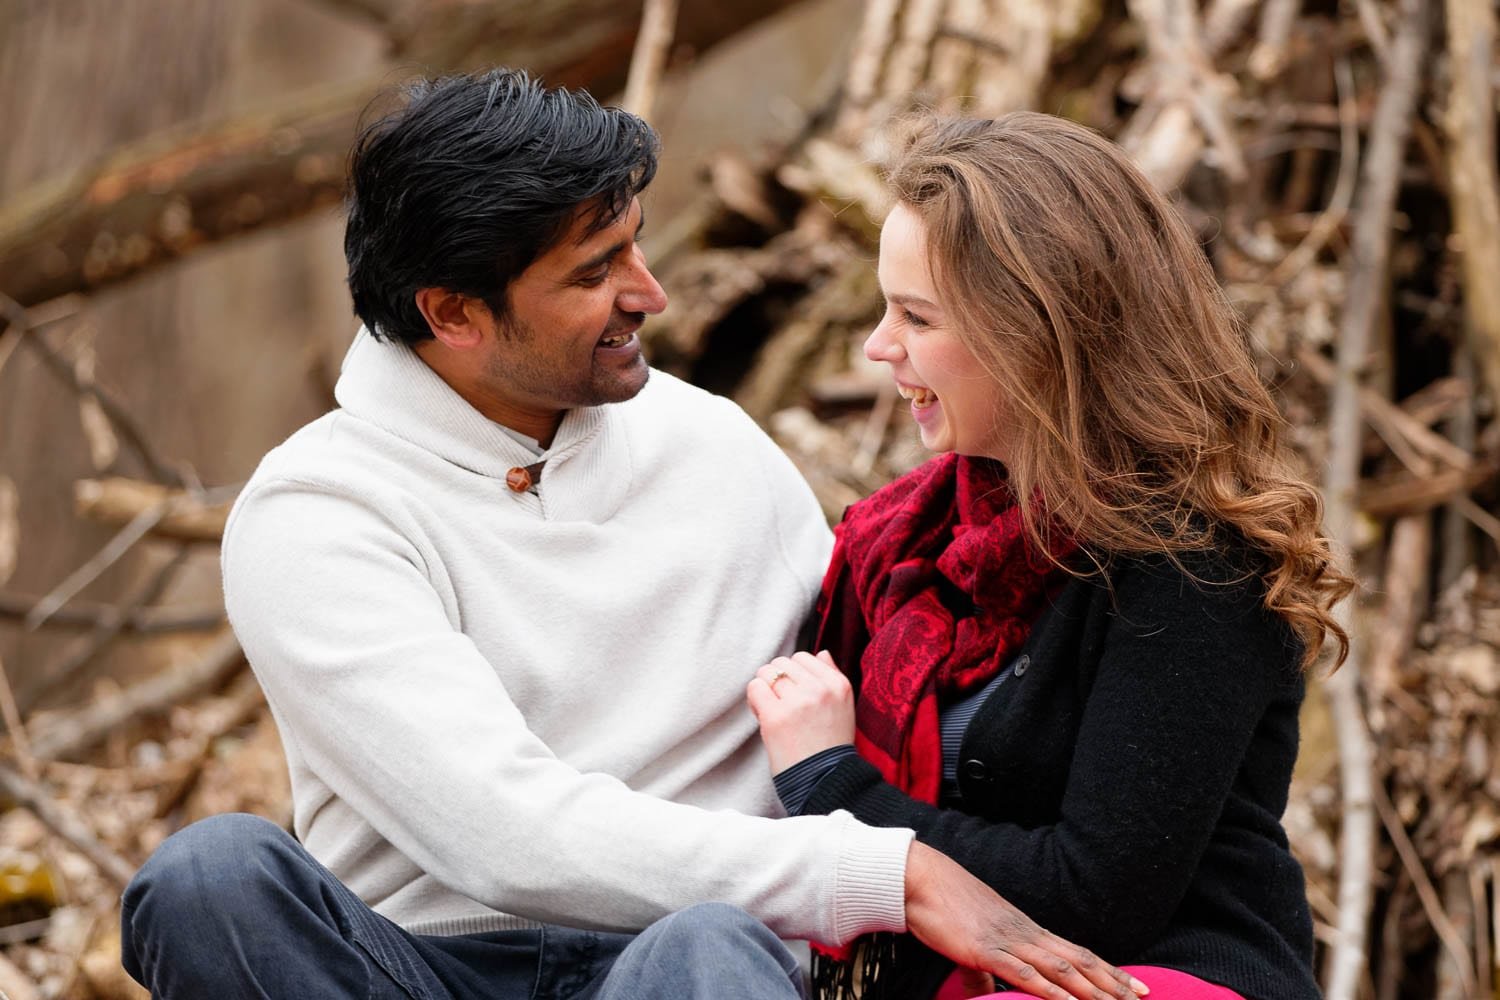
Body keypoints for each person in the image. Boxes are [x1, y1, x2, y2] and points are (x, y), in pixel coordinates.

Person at [117, 74, 1148, 1000]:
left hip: (692, 966)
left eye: (636, 243)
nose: (649, 291)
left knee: (701, 946)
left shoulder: (712, 445)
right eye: (593, 271)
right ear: (455, 314)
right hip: (424, 969)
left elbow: (902, 675)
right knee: (209, 881)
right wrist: (878, 873)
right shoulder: (319, 513)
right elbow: (501, 832)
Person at [749, 111, 1355, 1000]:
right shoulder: (904, 545)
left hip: (1149, 980)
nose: (878, 347)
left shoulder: (1192, 564)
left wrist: (834, 785)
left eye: (916, 316)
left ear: (1040, 335)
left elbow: (1097, 896)